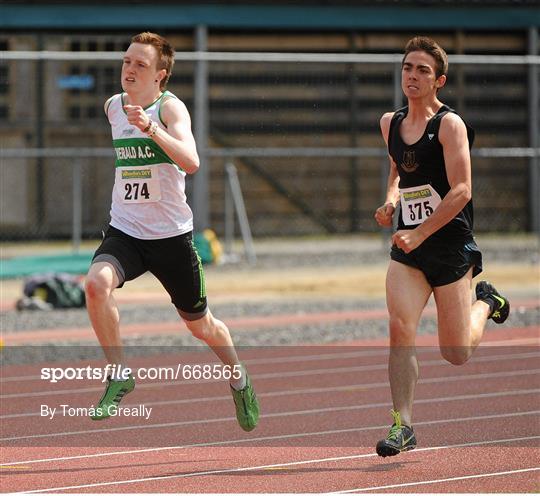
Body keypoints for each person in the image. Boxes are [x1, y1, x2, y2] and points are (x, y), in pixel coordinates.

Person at [84, 32, 259, 431]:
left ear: (160, 75)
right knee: (95, 284)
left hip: (170, 238)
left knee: (201, 326)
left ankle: (239, 377)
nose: (129, 69)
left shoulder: (170, 108)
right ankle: (119, 373)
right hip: (125, 231)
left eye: (140, 65)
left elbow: (192, 160)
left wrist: (151, 129)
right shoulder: (113, 106)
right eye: (127, 61)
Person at [373, 36, 509, 457]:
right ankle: (403, 425)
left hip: (449, 246)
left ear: (439, 81)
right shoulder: (389, 123)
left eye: (422, 71)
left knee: (455, 353)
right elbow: (399, 170)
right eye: (407, 68)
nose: (412, 76)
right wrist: (392, 200)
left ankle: (485, 301)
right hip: (409, 251)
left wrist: (421, 232)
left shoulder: (450, 126)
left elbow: (463, 190)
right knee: (400, 329)